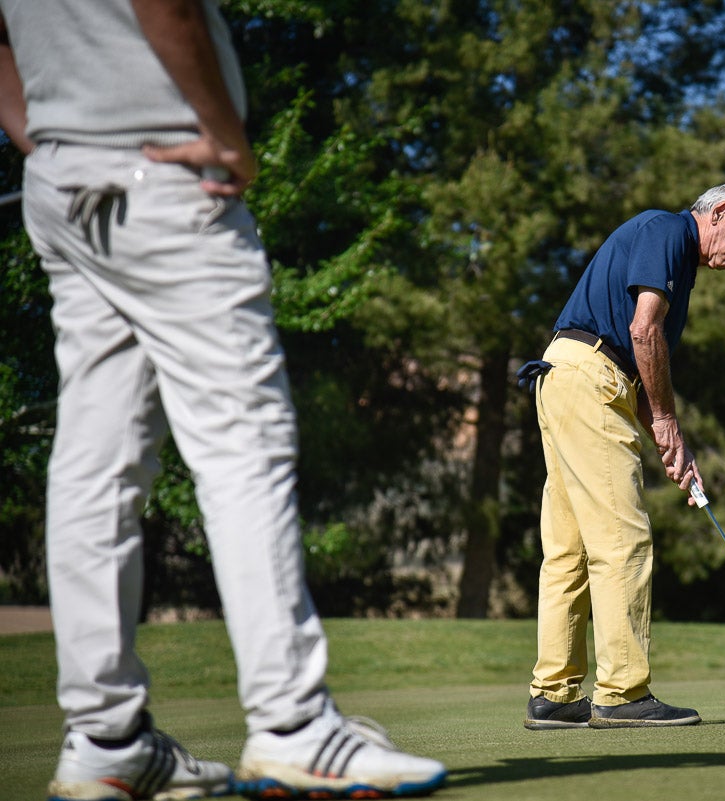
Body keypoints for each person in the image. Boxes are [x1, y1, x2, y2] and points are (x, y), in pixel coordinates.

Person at [0, 1, 446, 798]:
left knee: (95, 463)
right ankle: (294, 725)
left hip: (63, 187)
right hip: (170, 178)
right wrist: (228, 132)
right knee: (243, 444)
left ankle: (105, 738)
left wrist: (49, 144)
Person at [521, 182, 725, 729]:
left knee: (569, 547)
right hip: (591, 376)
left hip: (565, 376)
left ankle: (555, 694)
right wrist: (664, 420)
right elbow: (643, 329)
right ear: (719, 212)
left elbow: (638, 347)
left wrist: (667, 442)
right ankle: (622, 692)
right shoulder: (669, 230)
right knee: (621, 540)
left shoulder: (675, 251)